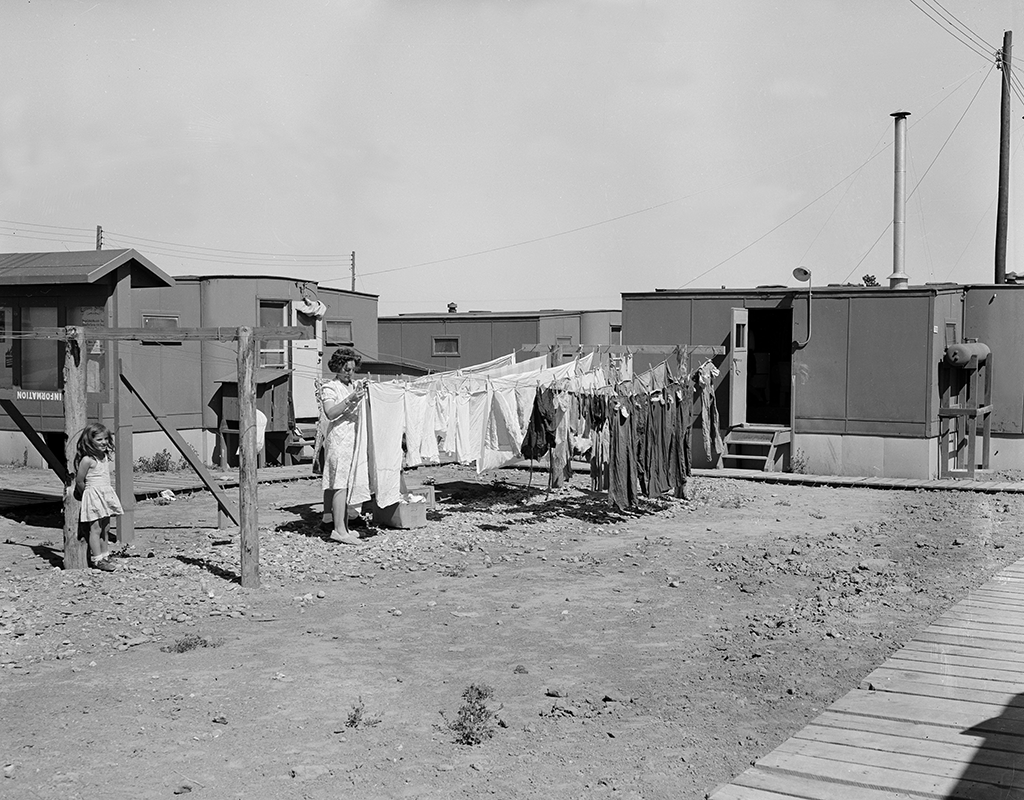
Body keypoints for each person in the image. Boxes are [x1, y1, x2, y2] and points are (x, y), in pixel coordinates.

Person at [317, 347, 367, 545]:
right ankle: (338, 529)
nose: (350, 373)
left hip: (353, 438)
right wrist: (350, 399)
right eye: (346, 369)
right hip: (338, 438)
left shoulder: (354, 385)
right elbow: (330, 412)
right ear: (337, 367)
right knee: (339, 484)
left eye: (352, 369)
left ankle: (345, 525)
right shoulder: (330, 387)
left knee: (347, 482)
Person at [72, 422, 124, 572]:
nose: (104, 442)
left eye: (106, 439)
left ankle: (105, 554)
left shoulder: (104, 456)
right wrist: (87, 495)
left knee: (106, 527)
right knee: (95, 528)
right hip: (93, 494)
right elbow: (80, 480)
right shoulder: (88, 460)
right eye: (99, 439)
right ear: (90, 440)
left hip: (105, 493)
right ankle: (97, 559)